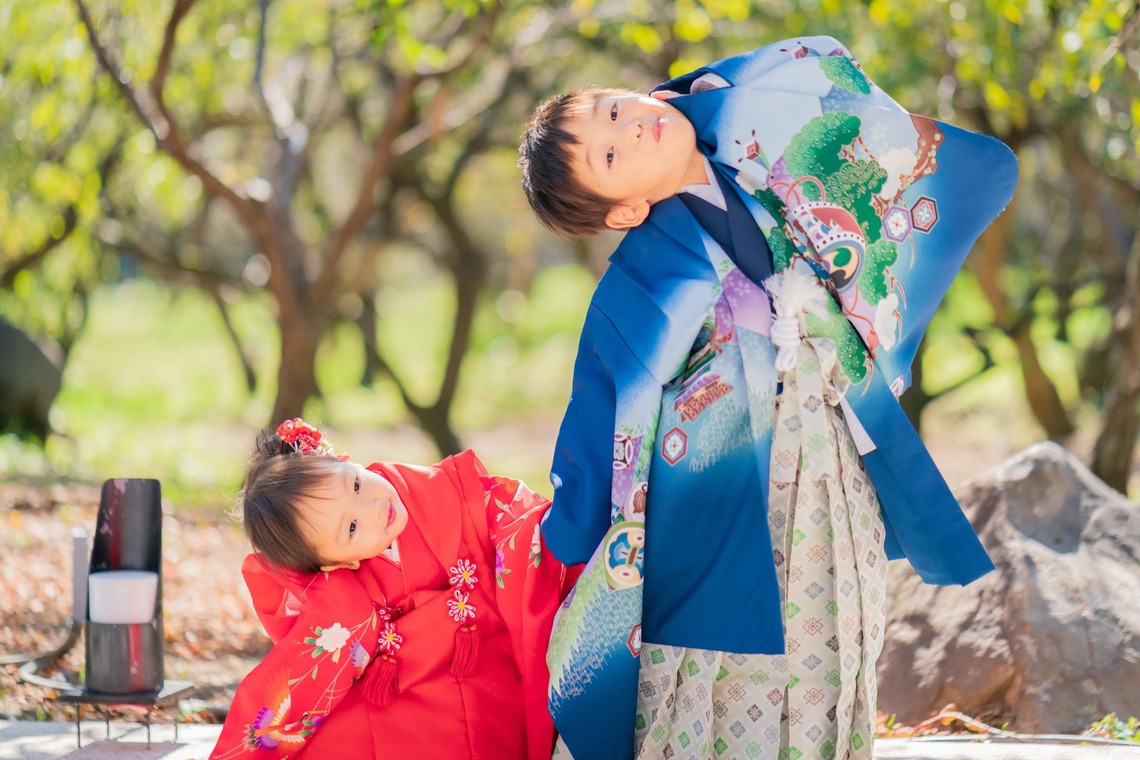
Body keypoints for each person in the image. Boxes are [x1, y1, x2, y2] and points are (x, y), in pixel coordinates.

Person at [518, 36, 1018, 760]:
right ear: (624, 211)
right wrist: (569, 525)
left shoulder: (762, 133)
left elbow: (821, 67)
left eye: (614, 109)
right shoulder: (639, 280)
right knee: (724, 650)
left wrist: (716, 89)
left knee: (834, 614)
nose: (629, 127)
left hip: (827, 446)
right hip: (716, 487)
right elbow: (606, 400)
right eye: (610, 155)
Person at [209, 418, 577, 760]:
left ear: (344, 460)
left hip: (487, 664)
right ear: (337, 563)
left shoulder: (448, 491)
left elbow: (516, 519)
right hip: (404, 688)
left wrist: (536, 534)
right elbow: (299, 678)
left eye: (354, 484)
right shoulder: (343, 596)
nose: (371, 507)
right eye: (351, 528)